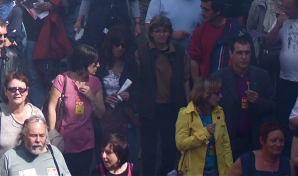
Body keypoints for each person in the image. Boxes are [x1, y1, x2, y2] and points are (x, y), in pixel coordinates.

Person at [137, 16, 191, 176]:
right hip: (149, 107)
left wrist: (189, 106)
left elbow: (186, 79)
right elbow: (136, 79)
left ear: (169, 33)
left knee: (169, 148)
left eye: (165, 31)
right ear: (151, 33)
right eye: (157, 31)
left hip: (172, 106)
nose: (161, 34)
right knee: (148, 150)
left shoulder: (179, 52)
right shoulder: (141, 52)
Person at [21, 0, 73, 106]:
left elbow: (70, 3)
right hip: (32, 36)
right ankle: (38, 112)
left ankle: (52, 111)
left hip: (53, 38)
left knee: (52, 76)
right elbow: (19, 6)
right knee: (34, 77)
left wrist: (52, 5)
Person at [211, 34, 276, 157]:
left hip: (254, 138)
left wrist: (258, 101)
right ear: (231, 54)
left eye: (247, 53)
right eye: (239, 53)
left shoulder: (262, 76)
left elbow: (273, 105)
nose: (244, 57)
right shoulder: (218, 78)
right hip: (228, 138)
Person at [45, 43, 106, 174]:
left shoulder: (95, 82)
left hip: (86, 143)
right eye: (94, 63)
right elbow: (51, 107)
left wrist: (91, 97)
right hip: (63, 142)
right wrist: (52, 133)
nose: (98, 66)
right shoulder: (62, 80)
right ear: (83, 63)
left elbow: (101, 113)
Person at [0, 72, 42, 169]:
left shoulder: (37, 114)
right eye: (12, 89)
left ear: (27, 91)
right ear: (5, 91)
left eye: (21, 89)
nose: (17, 92)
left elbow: (45, 146)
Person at [175, 76, 234, 176]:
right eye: (217, 93)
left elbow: (225, 145)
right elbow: (181, 144)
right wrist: (204, 134)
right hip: (194, 172)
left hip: (216, 170)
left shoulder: (218, 112)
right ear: (206, 95)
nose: (221, 96)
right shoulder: (185, 114)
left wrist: (230, 171)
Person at [97, 26, 140, 160]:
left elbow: (140, 90)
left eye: (123, 45)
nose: (120, 48)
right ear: (110, 45)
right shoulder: (100, 65)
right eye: (117, 44)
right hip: (105, 117)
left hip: (125, 117)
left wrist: (130, 96)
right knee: (105, 158)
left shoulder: (131, 65)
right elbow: (93, 87)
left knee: (128, 157)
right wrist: (104, 98)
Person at [190, 0, 246, 79]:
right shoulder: (199, 32)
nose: (202, 13)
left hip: (231, 82)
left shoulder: (235, 30)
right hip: (207, 84)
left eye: (206, 10)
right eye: (202, 9)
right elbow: (194, 60)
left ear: (218, 11)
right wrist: (197, 86)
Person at [0, 115, 70, 176]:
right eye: (33, 136)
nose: (38, 140)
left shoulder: (54, 153)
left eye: (42, 136)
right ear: (24, 136)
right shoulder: (9, 158)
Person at [226, 122, 292, 176]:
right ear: (262, 140)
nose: (278, 144)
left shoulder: (288, 165)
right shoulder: (246, 160)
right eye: (273, 141)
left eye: (281, 140)